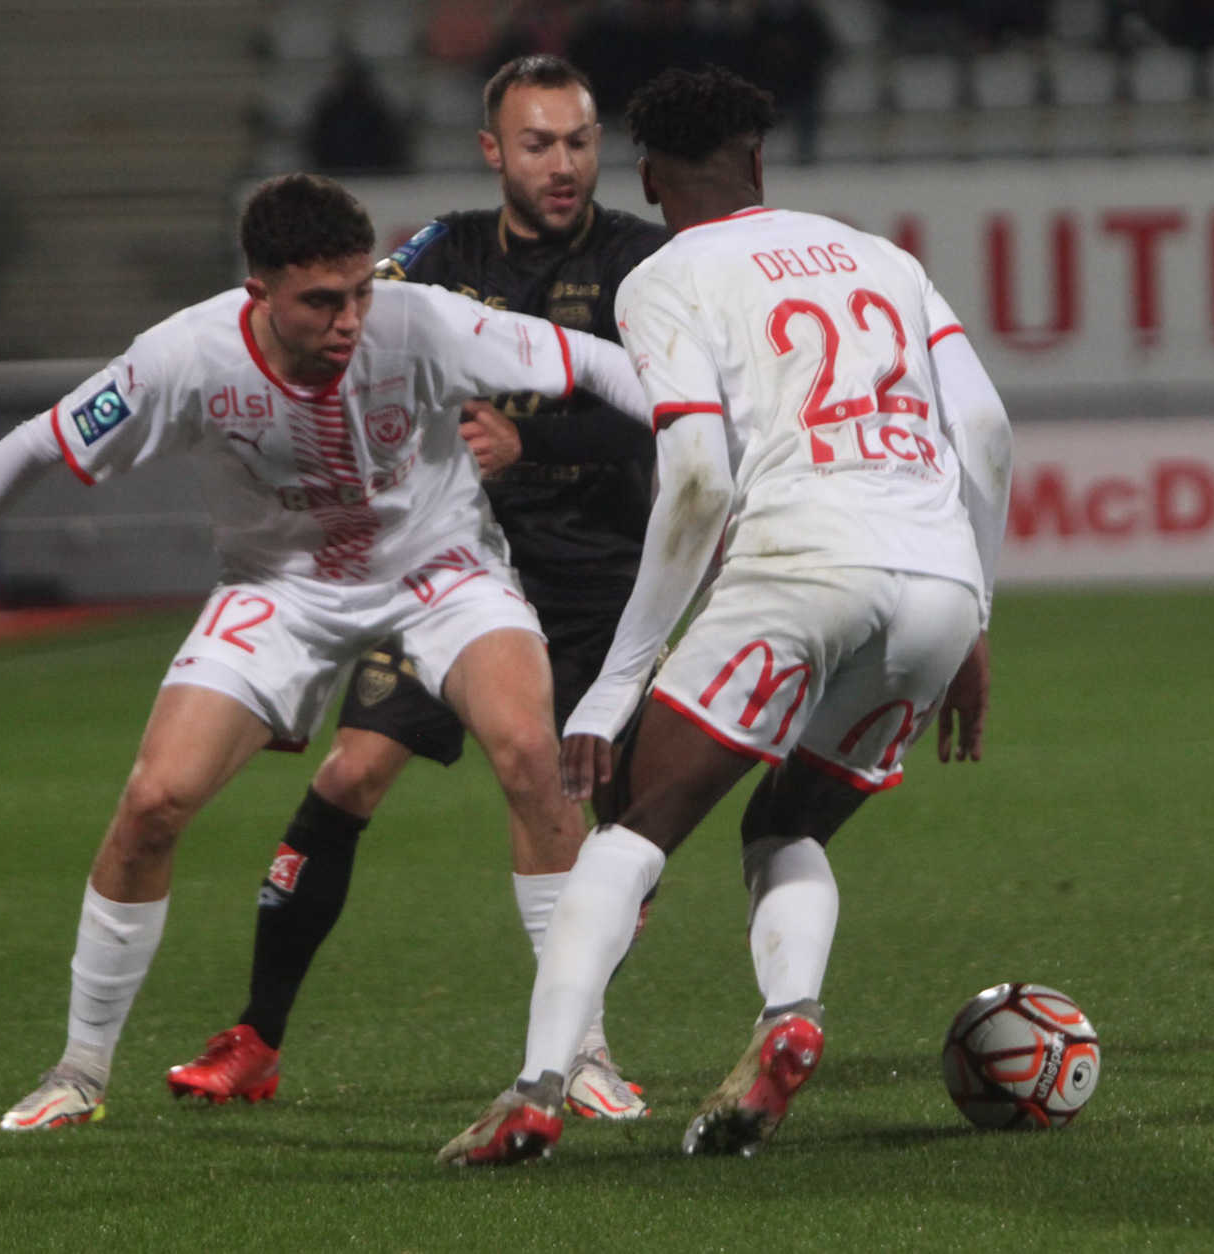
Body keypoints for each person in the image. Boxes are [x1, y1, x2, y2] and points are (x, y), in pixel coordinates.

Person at [0, 172, 653, 1132]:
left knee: (531, 755)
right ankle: (79, 1072)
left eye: (360, 291)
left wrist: (707, 428)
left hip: (441, 568)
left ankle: (581, 1051)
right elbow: (38, 445)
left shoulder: (421, 321)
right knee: (152, 803)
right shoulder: (184, 356)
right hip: (281, 590)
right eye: (322, 300)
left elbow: (595, 361)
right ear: (259, 291)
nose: (350, 319)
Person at [440, 67, 1013, 1165]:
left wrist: (616, 686)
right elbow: (984, 432)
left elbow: (698, 477)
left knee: (629, 830)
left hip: (799, 562)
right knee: (786, 826)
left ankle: (537, 1089)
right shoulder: (882, 256)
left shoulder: (662, 277)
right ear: (757, 159)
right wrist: (975, 610)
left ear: (648, 178)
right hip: (936, 579)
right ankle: (789, 1015)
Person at [167, 54, 670, 1122]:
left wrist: (530, 443)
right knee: (352, 772)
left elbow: (670, 406)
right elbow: (342, 334)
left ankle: (581, 1048)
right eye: (537, 144)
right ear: (494, 151)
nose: (562, 164)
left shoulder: (641, 262)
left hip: (602, 583)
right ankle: (256, 1037)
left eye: (579, 141)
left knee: (599, 824)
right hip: (460, 575)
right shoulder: (441, 252)